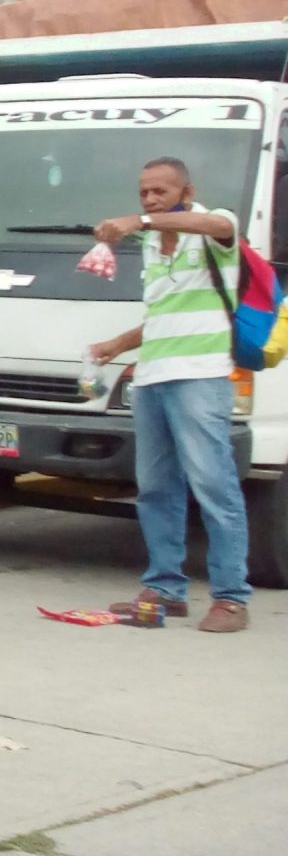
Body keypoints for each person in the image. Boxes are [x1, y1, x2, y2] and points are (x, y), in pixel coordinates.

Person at [91, 158, 252, 634]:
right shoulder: (150, 248)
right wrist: (116, 346)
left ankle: (231, 598)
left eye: (160, 191)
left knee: (214, 485)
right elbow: (165, 315)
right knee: (156, 488)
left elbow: (219, 224)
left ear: (187, 190)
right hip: (154, 379)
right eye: (143, 193)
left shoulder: (214, 229)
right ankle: (164, 589)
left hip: (202, 376)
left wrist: (139, 221)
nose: (149, 199)